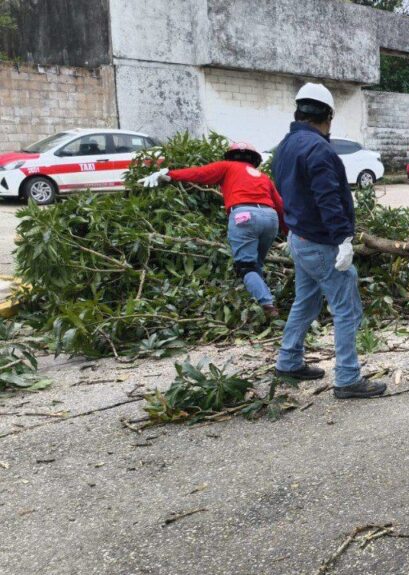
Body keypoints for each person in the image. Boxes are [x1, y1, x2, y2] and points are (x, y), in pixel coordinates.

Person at [270, 83, 386, 399]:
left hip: (300, 239)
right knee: (347, 309)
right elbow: (328, 199)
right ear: (328, 116)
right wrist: (343, 240)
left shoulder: (285, 146)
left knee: (305, 302)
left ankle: (288, 360)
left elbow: (281, 188)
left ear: (299, 112)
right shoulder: (318, 149)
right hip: (322, 243)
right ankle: (348, 379)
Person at [139, 142, 286, 318]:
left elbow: (200, 173)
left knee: (246, 267)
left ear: (230, 157)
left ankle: (268, 306)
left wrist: (170, 174)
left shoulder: (227, 166)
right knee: (256, 265)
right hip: (271, 218)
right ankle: (260, 301)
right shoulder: (263, 177)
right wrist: (290, 234)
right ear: (254, 160)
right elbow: (280, 205)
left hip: (244, 216)